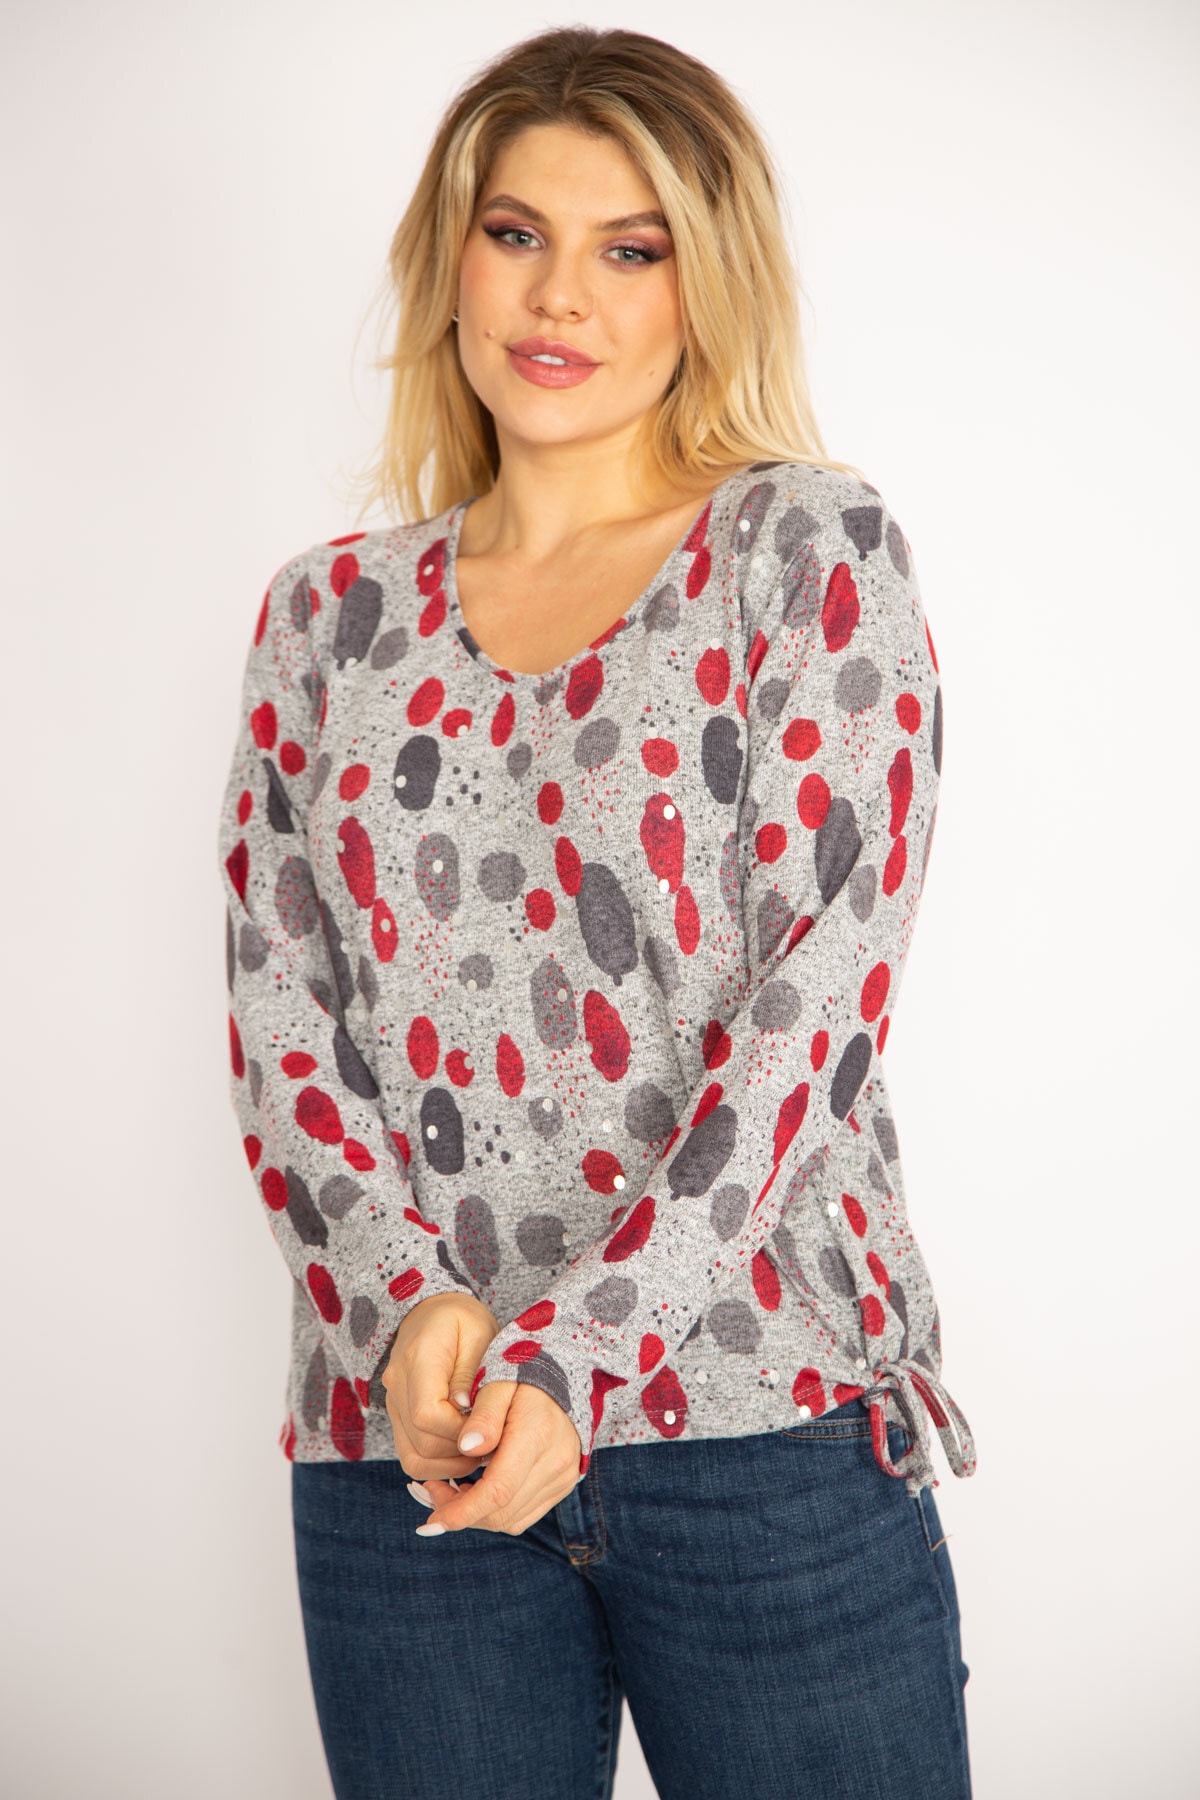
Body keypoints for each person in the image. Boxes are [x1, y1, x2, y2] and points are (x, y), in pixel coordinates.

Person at [217, 25, 977, 1800]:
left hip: (762, 1430)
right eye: (516, 234)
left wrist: (582, 1352)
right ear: (450, 262)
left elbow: (815, 1010)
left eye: (631, 249)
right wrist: (408, 1309)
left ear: (705, 286)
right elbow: (280, 1014)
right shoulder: (325, 620)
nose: (560, 294)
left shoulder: (806, 552)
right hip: (410, 1442)